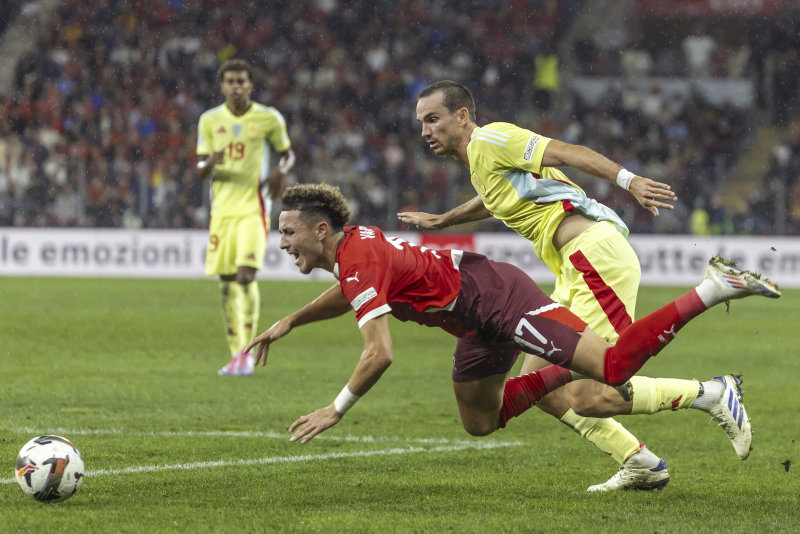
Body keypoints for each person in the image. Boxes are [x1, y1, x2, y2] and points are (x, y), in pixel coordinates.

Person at [246, 184, 780, 484]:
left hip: (497, 299)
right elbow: (352, 289)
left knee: (612, 369)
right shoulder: (351, 252)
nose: (284, 243)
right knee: (481, 421)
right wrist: (291, 320)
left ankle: (713, 289)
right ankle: (616, 428)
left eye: (288, 233)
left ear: (320, 229)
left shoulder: (356, 255)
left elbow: (380, 353)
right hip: (473, 319)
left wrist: (335, 408)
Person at [397, 80, 697, 490]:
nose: (425, 131)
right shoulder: (480, 162)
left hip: (595, 258)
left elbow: (566, 152)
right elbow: (494, 197)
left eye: (433, 119)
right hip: (572, 268)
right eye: (421, 123)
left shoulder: (491, 139)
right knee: (541, 385)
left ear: (462, 116)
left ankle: (711, 394)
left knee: (593, 389)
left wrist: (630, 181)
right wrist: (444, 220)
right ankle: (639, 461)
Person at [196, 58, 296, 376]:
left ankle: (247, 351)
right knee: (227, 284)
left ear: (250, 85)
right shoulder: (210, 120)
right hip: (222, 211)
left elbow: (288, 153)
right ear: (222, 86)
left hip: (253, 209)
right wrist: (208, 162)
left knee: (246, 276)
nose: (236, 86)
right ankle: (235, 354)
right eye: (230, 81)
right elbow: (200, 170)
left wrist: (282, 170)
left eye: (241, 81)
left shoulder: (268, 118)